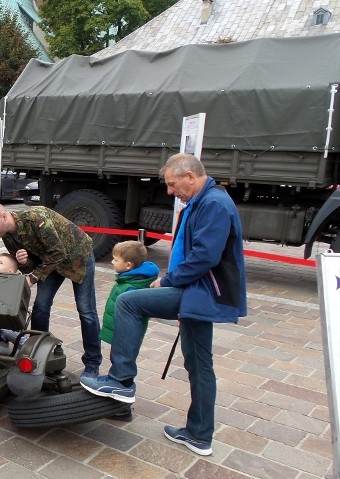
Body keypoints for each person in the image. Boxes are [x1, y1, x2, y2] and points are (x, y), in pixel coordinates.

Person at [80, 153, 247, 456]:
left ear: (190, 177)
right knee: (198, 363)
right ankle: (198, 435)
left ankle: (120, 380)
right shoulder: (204, 200)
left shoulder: (213, 204)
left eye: (172, 185)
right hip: (197, 292)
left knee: (130, 302)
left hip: (202, 292)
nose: (170, 191)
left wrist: (171, 279)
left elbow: (206, 256)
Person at [0, 202, 102, 377]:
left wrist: (33, 278)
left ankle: (92, 364)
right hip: (50, 264)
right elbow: (29, 266)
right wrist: (24, 262)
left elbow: (58, 252)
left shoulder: (35, 217)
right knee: (41, 305)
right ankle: (37, 355)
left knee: (86, 310)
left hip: (77, 257)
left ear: (4, 216)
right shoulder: (8, 237)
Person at [99, 240, 159, 345]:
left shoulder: (132, 288)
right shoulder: (127, 280)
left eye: (116, 260)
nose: (112, 262)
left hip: (125, 335)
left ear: (128, 265)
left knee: (122, 360)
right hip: (121, 332)